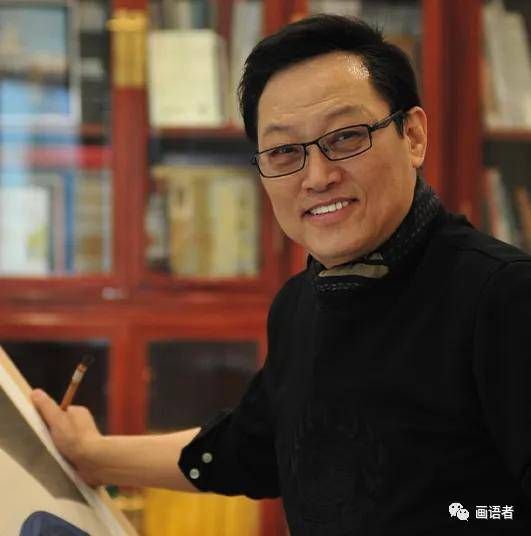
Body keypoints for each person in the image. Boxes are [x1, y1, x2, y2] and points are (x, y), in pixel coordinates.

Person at [32, 14, 531, 535]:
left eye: (346, 137)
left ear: (413, 136)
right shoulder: (301, 304)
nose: (317, 177)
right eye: (285, 151)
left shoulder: (503, 297)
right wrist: (90, 455)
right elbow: (251, 447)